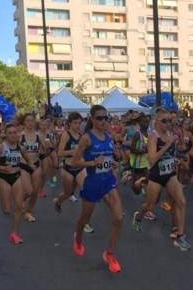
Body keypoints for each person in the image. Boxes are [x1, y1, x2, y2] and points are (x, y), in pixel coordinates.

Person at [70, 105, 123, 273]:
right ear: (92, 119)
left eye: (105, 118)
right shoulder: (86, 138)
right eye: (100, 118)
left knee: (118, 218)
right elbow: (74, 162)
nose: (103, 121)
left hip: (107, 181)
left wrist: (112, 162)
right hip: (92, 183)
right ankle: (78, 238)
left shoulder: (108, 136)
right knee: (84, 219)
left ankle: (110, 254)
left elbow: (107, 159)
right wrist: (92, 163)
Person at [132, 109, 191, 252]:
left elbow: (171, 153)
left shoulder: (171, 134)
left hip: (170, 174)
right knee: (151, 204)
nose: (168, 123)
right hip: (156, 175)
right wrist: (166, 145)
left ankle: (180, 236)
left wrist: (176, 159)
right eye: (165, 121)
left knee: (181, 202)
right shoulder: (153, 136)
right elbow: (152, 158)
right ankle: (138, 217)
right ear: (157, 121)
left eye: (170, 120)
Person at [0, 123, 36, 244]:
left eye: (15, 132)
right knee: (7, 211)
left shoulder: (20, 147)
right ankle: (2, 192)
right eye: (10, 133)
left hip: (16, 176)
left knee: (19, 206)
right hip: (4, 178)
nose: (13, 135)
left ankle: (14, 233)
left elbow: (27, 156)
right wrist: (3, 168)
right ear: (6, 134)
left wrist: (30, 163)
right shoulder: (1, 147)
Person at [17, 113, 45, 222]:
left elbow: (44, 150)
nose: (30, 123)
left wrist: (46, 148)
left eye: (32, 120)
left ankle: (29, 212)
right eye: (27, 121)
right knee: (29, 191)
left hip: (36, 164)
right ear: (23, 122)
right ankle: (22, 197)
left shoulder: (39, 136)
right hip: (24, 165)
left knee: (35, 191)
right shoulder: (20, 135)